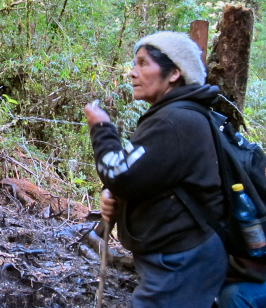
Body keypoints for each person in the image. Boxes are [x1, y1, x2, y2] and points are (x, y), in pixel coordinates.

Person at [84, 31, 228, 308]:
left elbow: (120, 174)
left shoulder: (174, 121)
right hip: (178, 255)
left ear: (174, 72)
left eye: (143, 63)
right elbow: (146, 173)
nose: (132, 73)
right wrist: (115, 192)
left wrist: (101, 128)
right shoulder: (180, 114)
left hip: (181, 260)